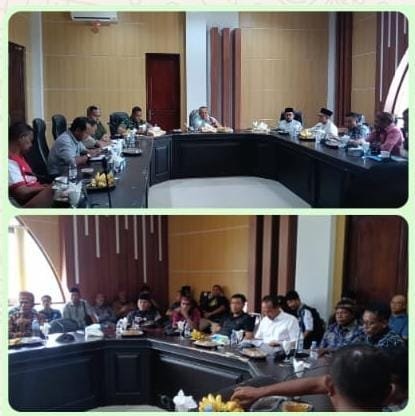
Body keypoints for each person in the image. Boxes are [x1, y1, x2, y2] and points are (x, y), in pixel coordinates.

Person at [231, 345, 394, 412]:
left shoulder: (331, 384)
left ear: (330, 386)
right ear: (389, 393)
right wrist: (259, 392)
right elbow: (318, 383)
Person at [8, 122, 50, 205]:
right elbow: (22, 192)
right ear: (22, 138)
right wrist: (45, 188)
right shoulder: (9, 162)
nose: (31, 145)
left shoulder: (20, 156)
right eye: (30, 141)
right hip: (31, 202)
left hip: (39, 194)